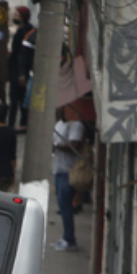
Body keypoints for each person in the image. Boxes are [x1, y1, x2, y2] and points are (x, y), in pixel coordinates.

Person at [52, 106, 86, 251]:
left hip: (69, 169)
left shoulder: (76, 125)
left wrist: (56, 146)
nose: (57, 110)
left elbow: (74, 145)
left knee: (66, 206)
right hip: (58, 168)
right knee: (61, 204)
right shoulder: (58, 125)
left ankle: (69, 238)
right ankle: (66, 236)